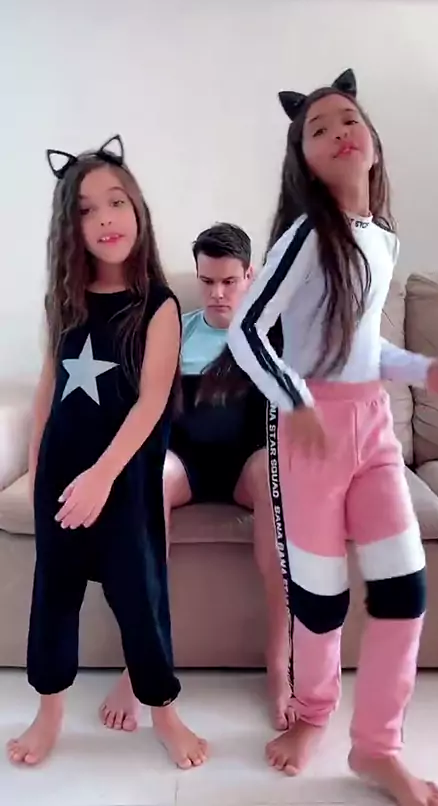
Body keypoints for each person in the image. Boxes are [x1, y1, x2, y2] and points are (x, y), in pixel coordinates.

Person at [228, 70, 438, 805]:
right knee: (321, 599)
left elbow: (366, 349)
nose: (340, 131)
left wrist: (429, 370)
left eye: (349, 119)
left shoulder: (382, 241)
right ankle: (313, 715)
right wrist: (295, 400)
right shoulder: (307, 236)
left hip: (373, 429)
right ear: (304, 160)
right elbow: (248, 331)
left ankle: (377, 749)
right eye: (319, 128)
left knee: (404, 591)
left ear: (372, 141)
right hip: (309, 433)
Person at [7, 135, 207, 770]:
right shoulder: (64, 300)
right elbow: (48, 387)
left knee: (139, 596)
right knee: (54, 594)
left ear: (137, 208)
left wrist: (102, 477)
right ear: (71, 227)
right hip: (63, 474)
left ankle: (164, 713)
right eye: (86, 210)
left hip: (123, 478)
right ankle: (49, 713)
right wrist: (39, 467)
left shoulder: (159, 306)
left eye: (116, 202)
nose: (105, 219)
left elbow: (151, 404)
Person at [100, 223, 291, 733]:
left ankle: (280, 661)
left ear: (250, 275)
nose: (218, 293)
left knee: (277, 483)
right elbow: (142, 408)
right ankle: (141, 662)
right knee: (148, 484)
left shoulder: (272, 335)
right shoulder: (175, 331)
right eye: (208, 282)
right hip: (184, 461)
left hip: (246, 462)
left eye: (229, 281)